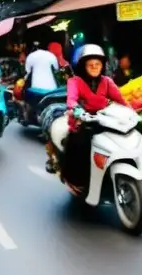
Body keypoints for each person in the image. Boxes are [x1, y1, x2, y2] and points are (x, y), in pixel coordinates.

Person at [54, 44, 128, 191]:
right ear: (83, 66)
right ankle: (78, 181)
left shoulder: (107, 81)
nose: (95, 67)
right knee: (80, 144)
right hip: (82, 122)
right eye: (90, 65)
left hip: (105, 121)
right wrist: (76, 110)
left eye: (98, 64)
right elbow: (72, 100)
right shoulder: (74, 81)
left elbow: (121, 100)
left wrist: (132, 113)